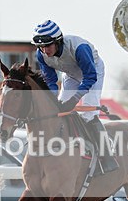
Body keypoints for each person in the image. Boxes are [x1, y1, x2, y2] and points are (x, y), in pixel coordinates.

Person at [31, 19, 117, 173]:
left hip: (93, 72)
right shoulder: (41, 55)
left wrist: (75, 98)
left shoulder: (80, 48)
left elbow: (90, 77)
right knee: (59, 112)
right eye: (41, 47)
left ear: (58, 41)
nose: (45, 50)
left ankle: (106, 157)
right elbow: (51, 80)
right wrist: (52, 101)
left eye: (47, 45)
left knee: (89, 115)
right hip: (70, 75)